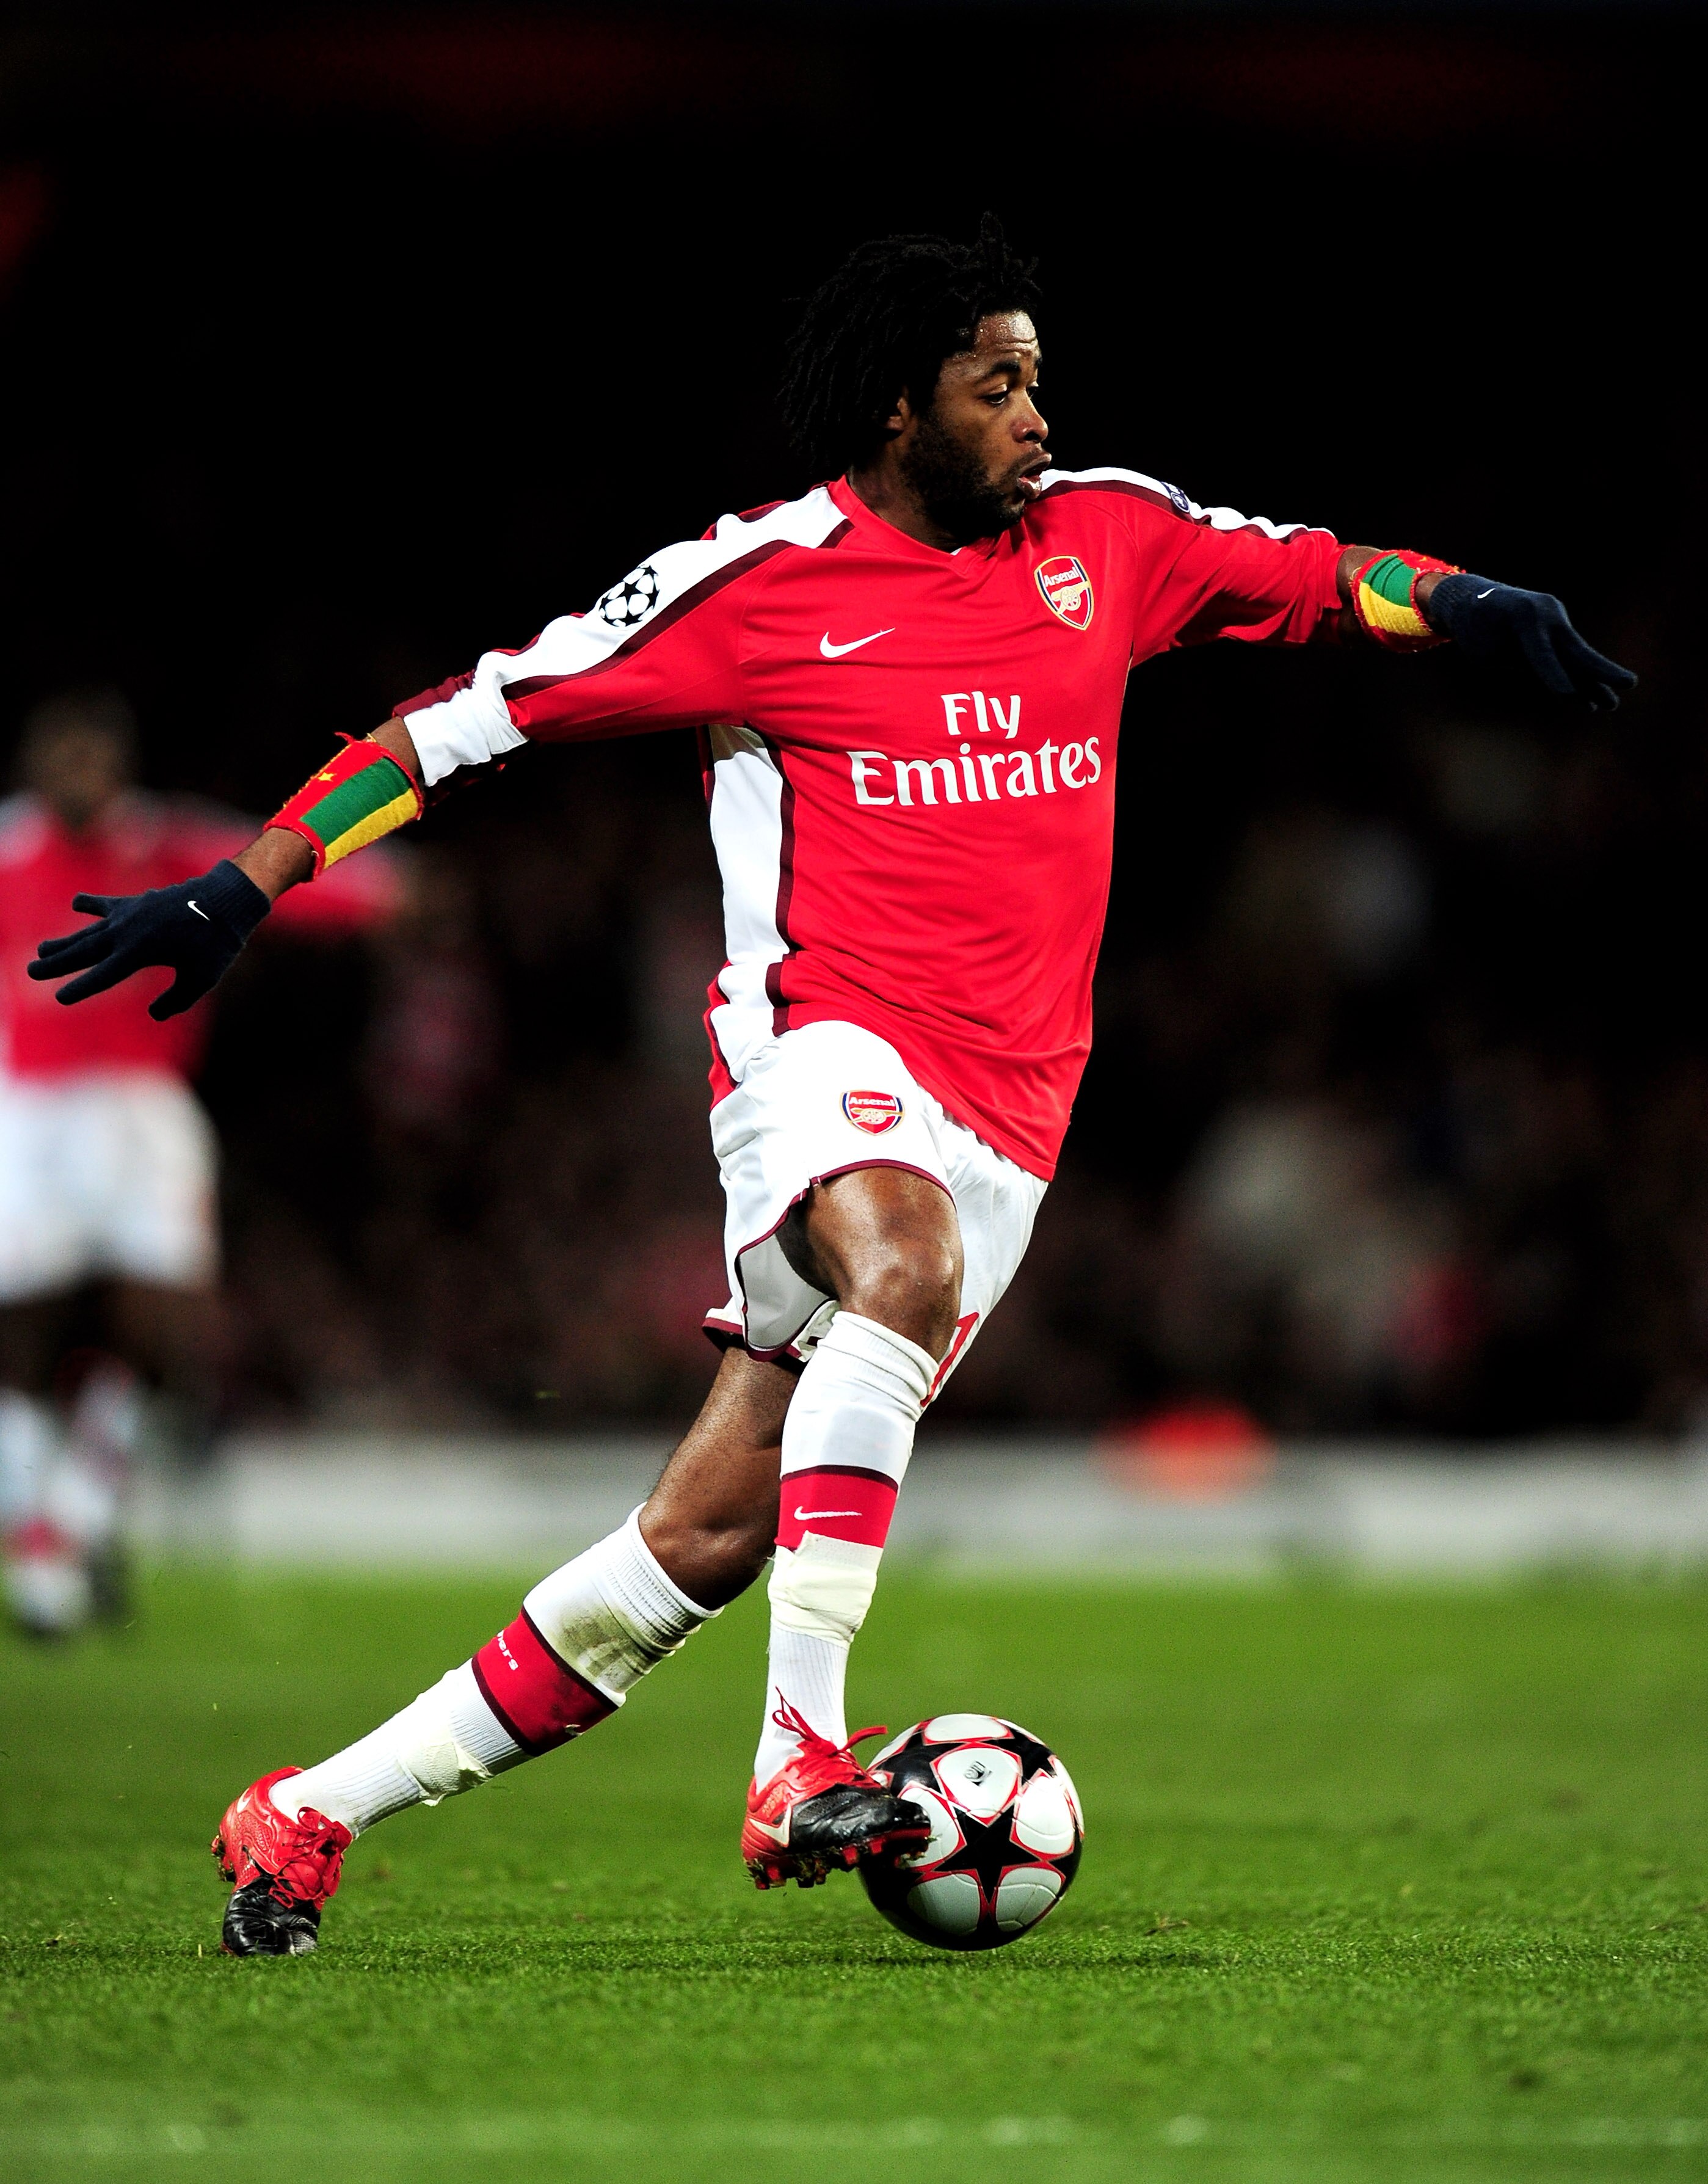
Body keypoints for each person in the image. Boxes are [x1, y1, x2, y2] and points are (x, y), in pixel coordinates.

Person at [29, 223, 1634, 1952]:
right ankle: (795, 1752)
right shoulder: (756, 584)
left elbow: (1315, 577)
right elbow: (463, 724)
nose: (1036, 416)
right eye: (997, 385)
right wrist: (246, 882)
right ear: (896, 406)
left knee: (696, 1549)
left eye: (1037, 381)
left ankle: (305, 1814)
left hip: (1015, 1117)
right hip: (823, 1049)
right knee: (902, 1263)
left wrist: (1470, 603)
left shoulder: (1106, 539)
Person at [1, 690, 399, 1634]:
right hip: (32, 1108)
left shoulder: (161, 845)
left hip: (145, 1110)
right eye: (64, 761)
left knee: (162, 1332)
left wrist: (386, 892)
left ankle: (74, 1519)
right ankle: (44, 1536)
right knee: (20, 1338)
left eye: (94, 761)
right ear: (36, 770)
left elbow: (281, 868)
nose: (80, 779)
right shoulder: (9, 853)